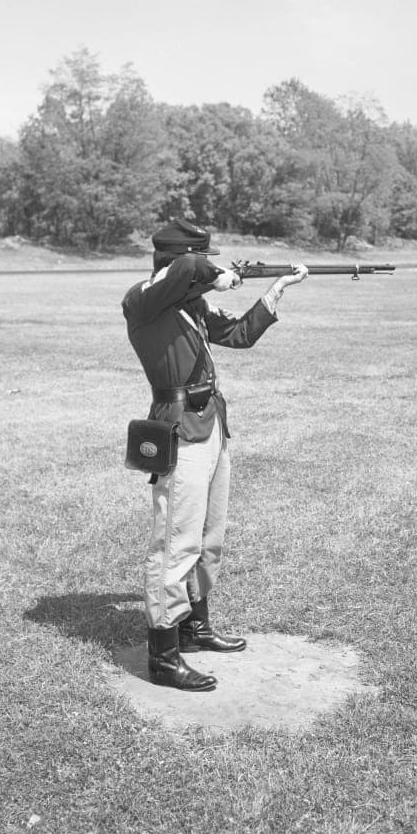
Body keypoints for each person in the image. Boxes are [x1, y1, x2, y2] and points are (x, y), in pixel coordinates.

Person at [122, 217, 308, 692]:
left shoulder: (191, 305)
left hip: (212, 425)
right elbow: (187, 268)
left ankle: (194, 627)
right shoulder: (144, 298)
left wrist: (277, 288)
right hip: (180, 428)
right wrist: (218, 274)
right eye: (202, 258)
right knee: (175, 542)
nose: (206, 265)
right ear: (177, 258)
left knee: (209, 537)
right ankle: (163, 656)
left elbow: (241, 334)